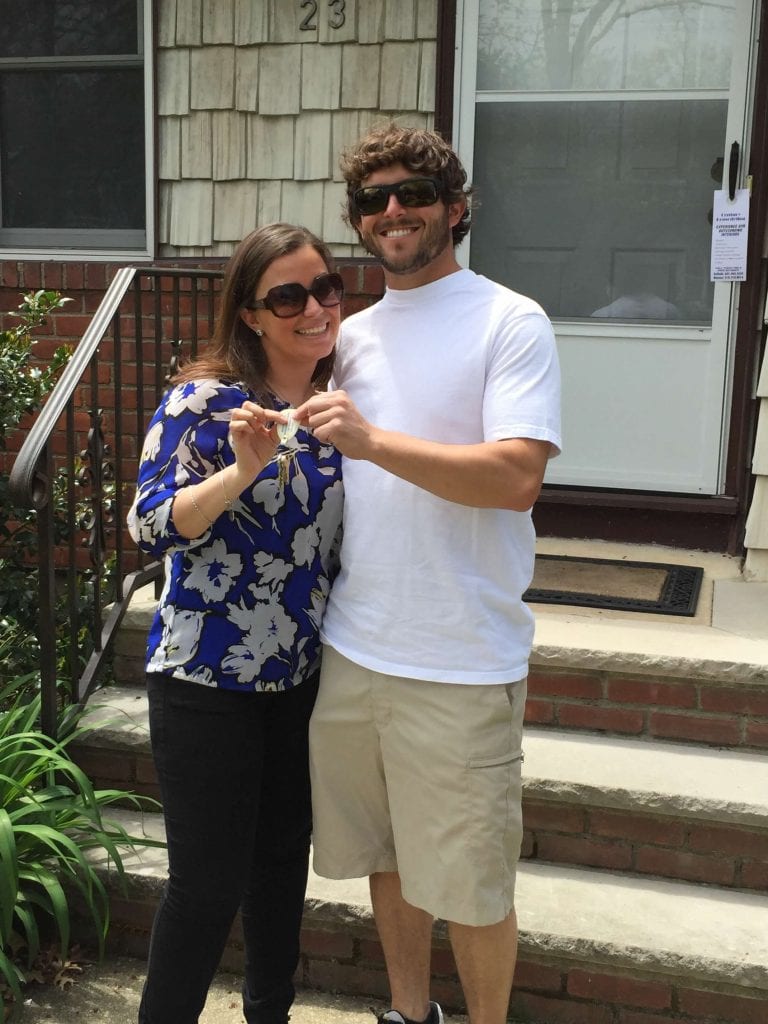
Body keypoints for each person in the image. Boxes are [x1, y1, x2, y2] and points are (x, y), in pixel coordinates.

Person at [294, 124, 561, 1024]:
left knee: (476, 888)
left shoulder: (509, 320)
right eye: (374, 200)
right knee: (389, 858)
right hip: (357, 646)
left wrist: (372, 442)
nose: (394, 211)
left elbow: (516, 477)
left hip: (460, 656)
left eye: (413, 194)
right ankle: (411, 1015)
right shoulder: (351, 334)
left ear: (454, 208)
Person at [127, 223, 344, 1024]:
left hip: (297, 677)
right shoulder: (204, 401)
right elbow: (148, 524)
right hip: (204, 678)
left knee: (282, 868)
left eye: (325, 287)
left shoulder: (335, 411)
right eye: (287, 295)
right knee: (208, 885)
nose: (313, 307)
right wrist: (238, 474)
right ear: (250, 314)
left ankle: (269, 1016)